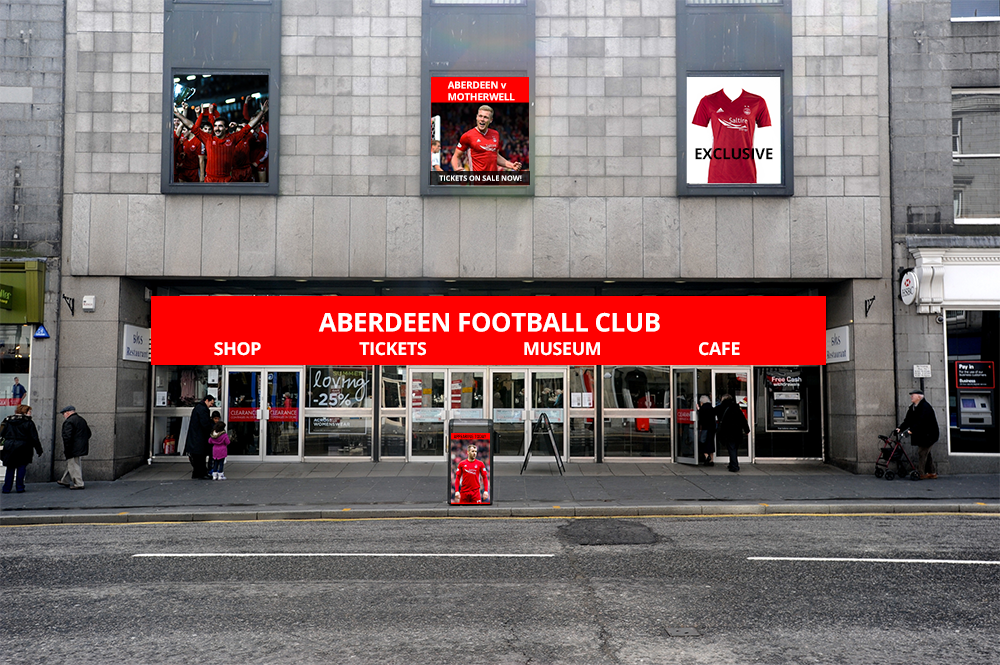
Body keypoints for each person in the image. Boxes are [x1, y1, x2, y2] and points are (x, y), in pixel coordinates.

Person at [173, 99, 268, 183]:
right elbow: (190, 125)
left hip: (226, 180)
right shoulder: (207, 138)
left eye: (220, 126)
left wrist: (262, 113)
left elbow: (249, 126)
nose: (217, 128)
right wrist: (177, 114)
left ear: (226, 128)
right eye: (215, 126)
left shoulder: (232, 138)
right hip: (210, 180)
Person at [450, 105, 523, 173]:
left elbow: (495, 156)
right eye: (480, 116)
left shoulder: (495, 134)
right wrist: (457, 168)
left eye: (485, 117)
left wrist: (511, 165)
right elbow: (456, 156)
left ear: (491, 120)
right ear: (476, 117)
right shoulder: (468, 136)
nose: (482, 119)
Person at [895, 388, 940, 479]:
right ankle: (932, 472)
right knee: (927, 453)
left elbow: (921, 422)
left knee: (922, 452)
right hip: (922, 435)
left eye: (913, 395)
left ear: (919, 397)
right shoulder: (913, 407)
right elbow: (907, 421)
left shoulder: (925, 407)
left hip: (929, 434)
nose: (911, 396)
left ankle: (920, 473)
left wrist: (911, 430)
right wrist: (900, 428)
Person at [0, 404, 44, 493]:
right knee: (21, 467)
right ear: (25, 412)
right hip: (24, 446)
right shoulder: (28, 422)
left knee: (10, 467)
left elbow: (2, 433)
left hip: (10, 445)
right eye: (29, 411)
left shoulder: (8, 421)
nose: (31, 413)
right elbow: (34, 437)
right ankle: (20, 487)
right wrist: (38, 449)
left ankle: (6, 488)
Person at [58, 405, 91, 490]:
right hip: (80, 446)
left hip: (73, 447)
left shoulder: (69, 422)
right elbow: (89, 433)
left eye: (63, 414)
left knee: (73, 465)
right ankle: (65, 480)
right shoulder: (81, 420)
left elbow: (67, 437)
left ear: (67, 413)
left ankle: (79, 483)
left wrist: (67, 448)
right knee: (73, 463)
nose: (63, 416)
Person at [715, 394, 750, 472]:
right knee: (734, 448)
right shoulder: (736, 408)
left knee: (731, 448)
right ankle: (732, 463)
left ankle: (734, 466)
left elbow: (711, 412)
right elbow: (743, 419)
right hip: (737, 431)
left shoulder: (721, 407)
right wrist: (747, 430)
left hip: (727, 431)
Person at [185, 394, 215, 479]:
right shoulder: (203, 409)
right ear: (207, 400)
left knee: (198, 457)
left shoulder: (198, 408)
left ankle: (197, 473)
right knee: (200, 457)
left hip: (196, 437)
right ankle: (201, 473)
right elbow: (205, 424)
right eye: (211, 403)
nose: (211, 405)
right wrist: (211, 430)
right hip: (199, 438)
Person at [698, 395, 716, 466]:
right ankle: (711, 460)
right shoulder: (711, 408)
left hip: (705, 429)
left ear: (702, 402)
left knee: (703, 443)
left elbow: (701, 419)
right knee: (711, 444)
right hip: (712, 428)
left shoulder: (702, 408)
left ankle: (706, 456)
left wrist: (698, 410)